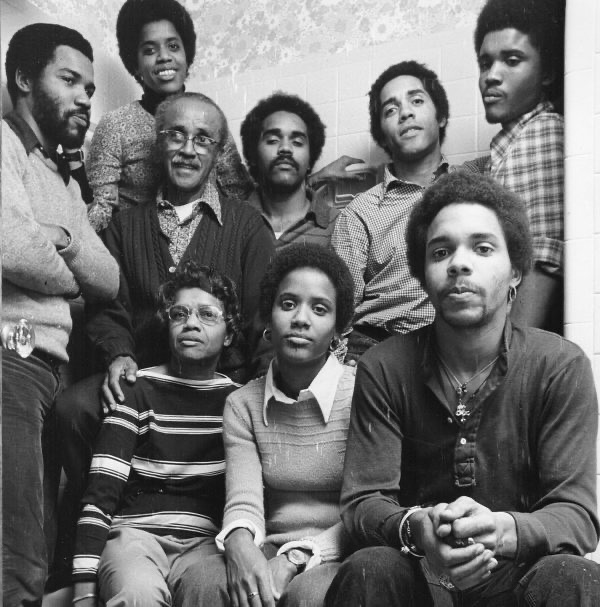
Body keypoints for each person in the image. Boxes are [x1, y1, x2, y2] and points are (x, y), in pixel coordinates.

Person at [325, 172, 600, 607]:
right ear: (423, 275)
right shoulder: (383, 366)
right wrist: (418, 528)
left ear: (515, 270)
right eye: (441, 251)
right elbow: (363, 503)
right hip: (419, 574)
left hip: (517, 580)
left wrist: (503, 530)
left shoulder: (560, 366)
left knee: (575, 576)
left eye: (483, 248)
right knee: (369, 568)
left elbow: (577, 515)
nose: (458, 263)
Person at [51, 91, 274, 591]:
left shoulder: (247, 227)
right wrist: (119, 354)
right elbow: (107, 303)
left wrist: (256, 387)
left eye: (203, 139)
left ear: (218, 152)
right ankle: (102, 537)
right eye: (176, 135)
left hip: (220, 380)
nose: (188, 149)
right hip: (140, 377)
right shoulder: (125, 226)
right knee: (72, 409)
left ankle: (205, 536)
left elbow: (263, 318)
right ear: (158, 143)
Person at [2, 23, 119, 606]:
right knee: (17, 550)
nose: (84, 98)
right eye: (69, 80)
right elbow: (11, 247)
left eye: (90, 89)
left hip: (49, 365)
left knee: (43, 543)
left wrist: (62, 237)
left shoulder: (61, 179)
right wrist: (69, 274)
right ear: (25, 79)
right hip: (11, 352)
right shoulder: (2, 144)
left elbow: (109, 278)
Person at [188, 243, 356, 607]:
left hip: (339, 549)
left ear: (337, 329)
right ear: (268, 317)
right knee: (204, 582)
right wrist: (240, 544)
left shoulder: (363, 394)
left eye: (320, 309)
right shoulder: (242, 404)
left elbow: (365, 509)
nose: (300, 319)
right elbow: (243, 499)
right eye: (288, 304)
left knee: (308, 595)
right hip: (267, 544)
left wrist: (296, 558)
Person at [71, 261, 242, 607]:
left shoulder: (238, 402)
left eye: (207, 315)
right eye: (180, 314)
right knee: (138, 592)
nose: (191, 323)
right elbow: (100, 495)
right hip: (135, 538)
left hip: (206, 546)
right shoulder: (136, 390)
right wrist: (83, 591)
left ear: (229, 334)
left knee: (211, 589)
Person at [85, 0, 254, 232]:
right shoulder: (115, 125)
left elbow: (239, 192)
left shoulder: (209, 118)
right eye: (149, 50)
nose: (164, 56)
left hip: (207, 245)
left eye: (173, 46)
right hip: (136, 246)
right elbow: (101, 211)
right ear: (136, 64)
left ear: (187, 56)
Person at [332, 60, 450, 363]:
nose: (406, 113)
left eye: (417, 100)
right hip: (376, 349)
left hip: (457, 345)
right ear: (382, 135)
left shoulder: (474, 186)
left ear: (441, 116)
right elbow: (338, 311)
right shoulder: (360, 213)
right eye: (391, 109)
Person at [467, 0, 565, 332]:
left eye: (512, 60)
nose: (491, 77)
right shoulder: (513, 142)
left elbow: (542, 263)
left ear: (547, 73)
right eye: (485, 63)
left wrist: (507, 356)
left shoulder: (540, 133)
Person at [241, 92, 340, 248]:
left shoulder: (340, 225)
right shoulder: (231, 220)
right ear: (254, 154)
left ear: (310, 158)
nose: (285, 148)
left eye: (298, 142)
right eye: (272, 140)